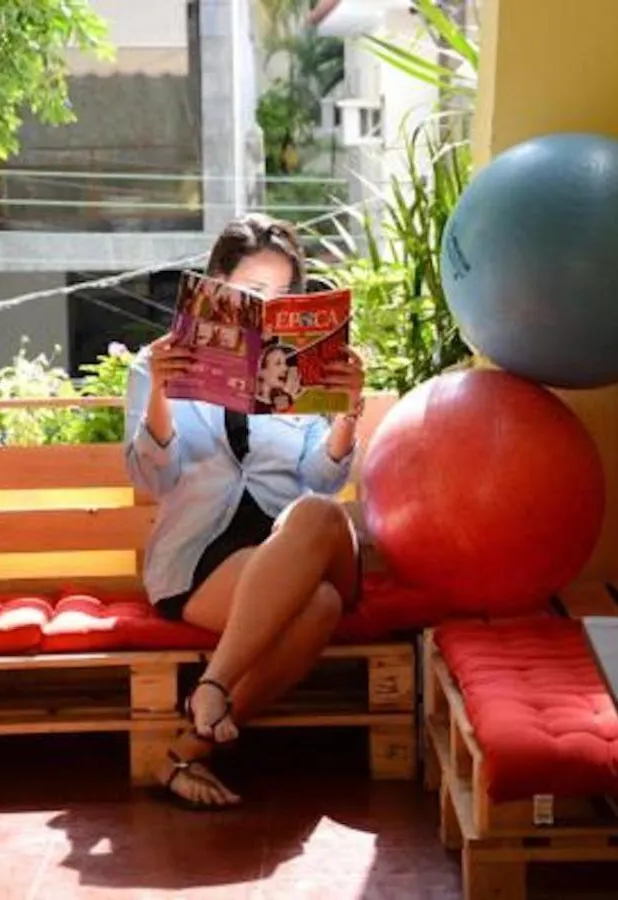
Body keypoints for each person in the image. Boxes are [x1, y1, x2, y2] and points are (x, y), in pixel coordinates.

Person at [122, 213, 367, 810]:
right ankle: (185, 752)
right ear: (216, 289)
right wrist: (159, 392)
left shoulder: (304, 370)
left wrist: (348, 414)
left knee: (316, 512)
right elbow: (153, 477)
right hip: (203, 557)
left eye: (281, 296)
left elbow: (323, 479)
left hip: (301, 541)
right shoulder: (155, 366)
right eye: (254, 294)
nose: (267, 308)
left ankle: (213, 685)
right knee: (321, 606)